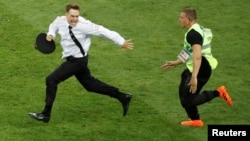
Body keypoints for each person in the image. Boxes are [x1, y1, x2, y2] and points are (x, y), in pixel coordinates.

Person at [29, 3, 134, 123]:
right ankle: (122, 96)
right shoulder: (60, 21)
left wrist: (120, 41)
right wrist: (51, 34)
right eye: (72, 16)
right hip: (73, 60)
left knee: (51, 80)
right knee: (90, 85)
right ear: (66, 14)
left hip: (78, 61)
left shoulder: (84, 25)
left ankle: (45, 114)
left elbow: (102, 31)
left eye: (77, 16)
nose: (75, 19)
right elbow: (53, 25)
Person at [161, 7, 233, 127]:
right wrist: (176, 62)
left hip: (201, 68)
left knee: (187, 100)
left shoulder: (193, 34)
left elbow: (197, 56)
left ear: (189, 19)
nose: (179, 20)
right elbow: (189, 50)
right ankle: (195, 120)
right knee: (184, 97)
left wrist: (194, 77)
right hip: (198, 67)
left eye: (182, 18)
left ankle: (218, 92)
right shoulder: (198, 30)